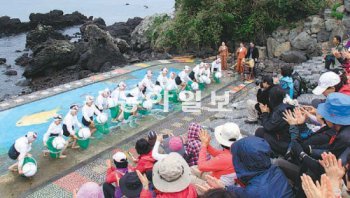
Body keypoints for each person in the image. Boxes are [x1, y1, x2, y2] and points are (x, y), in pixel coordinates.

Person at [204, 136, 293, 197]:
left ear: (243, 161)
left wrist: (221, 190)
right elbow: (244, 193)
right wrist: (224, 187)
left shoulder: (253, 191)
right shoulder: (275, 170)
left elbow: (247, 193)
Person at [291, 93, 350, 178]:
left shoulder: (344, 138)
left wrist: (302, 154)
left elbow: (326, 169)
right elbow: (331, 149)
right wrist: (310, 150)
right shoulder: (340, 130)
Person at [193, 123, 242, 187]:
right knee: (193, 169)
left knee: (189, 177)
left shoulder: (224, 158)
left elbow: (201, 166)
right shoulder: (236, 150)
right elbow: (217, 153)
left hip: (217, 185)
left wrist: (203, 145)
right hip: (227, 179)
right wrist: (207, 144)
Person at [255, 86, 294, 155]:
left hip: (286, 144)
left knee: (259, 132)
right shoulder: (285, 106)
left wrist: (265, 113)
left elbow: (268, 127)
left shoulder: (280, 111)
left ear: (271, 98)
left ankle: (272, 153)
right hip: (289, 138)